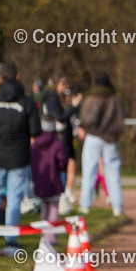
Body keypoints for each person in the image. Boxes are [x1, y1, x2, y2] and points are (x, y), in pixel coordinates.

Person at [0, 61, 41, 255]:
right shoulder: (26, 103)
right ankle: (10, 241)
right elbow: (36, 130)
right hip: (19, 159)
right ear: (17, 77)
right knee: (15, 199)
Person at [77, 72, 126, 217]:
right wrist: (115, 134)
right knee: (113, 172)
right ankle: (117, 207)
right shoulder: (115, 98)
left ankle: (85, 205)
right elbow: (120, 120)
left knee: (89, 171)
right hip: (110, 139)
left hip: (93, 137)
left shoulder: (92, 97)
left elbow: (87, 117)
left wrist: (86, 128)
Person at [42, 75, 83, 214]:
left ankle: (63, 196)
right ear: (55, 85)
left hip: (62, 136)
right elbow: (60, 118)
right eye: (63, 83)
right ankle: (61, 198)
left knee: (66, 165)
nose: (66, 86)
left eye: (67, 83)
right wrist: (73, 107)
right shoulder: (52, 97)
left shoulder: (58, 97)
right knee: (62, 167)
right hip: (58, 136)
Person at [31, 116, 69, 244]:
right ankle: (51, 237)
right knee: (53, 209)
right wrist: (63, 167)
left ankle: (43, 235)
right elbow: (63, 160)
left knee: (44, 208)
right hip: (53, 181)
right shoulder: (57, 143)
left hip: (40, 181)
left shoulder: (35, 143)